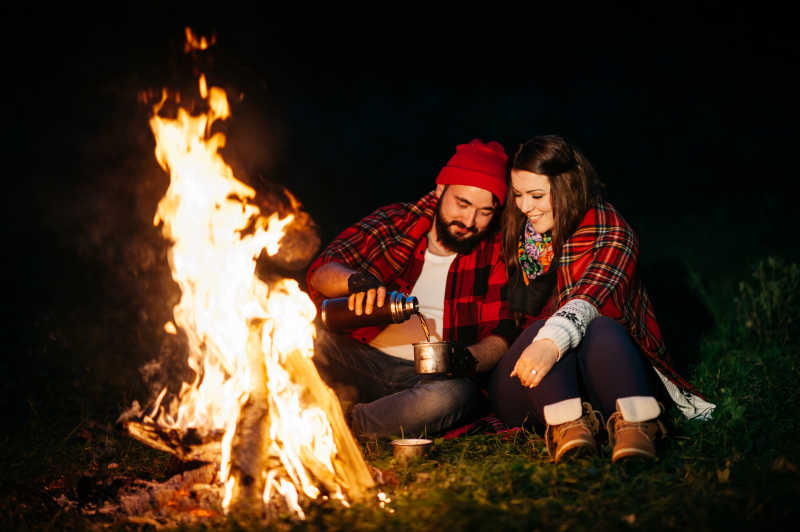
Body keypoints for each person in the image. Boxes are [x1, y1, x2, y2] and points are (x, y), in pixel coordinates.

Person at [487, 135, 715, 463]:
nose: (524, 206)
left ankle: (635, 427)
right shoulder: (522, 234)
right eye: (519, 194)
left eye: (536, 195)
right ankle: (567, 426)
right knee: (538, 334)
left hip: (600, 373)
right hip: (529, 381)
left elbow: (590, 294)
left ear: (567, 188)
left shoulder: (612, 233)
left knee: (601, 326)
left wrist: (551, 342)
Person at [306, 139, 516, 439]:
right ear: (441, 189)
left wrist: (466, 357)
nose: (469, 221)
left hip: (424, 379)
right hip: (357, 355)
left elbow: (503, 333)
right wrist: (355, 281)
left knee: (459, 395)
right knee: (301, 332)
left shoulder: (494, 252)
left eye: (485, 211)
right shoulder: (397, 221)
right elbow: (322, 271)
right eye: (463, 203)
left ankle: (344, 426)